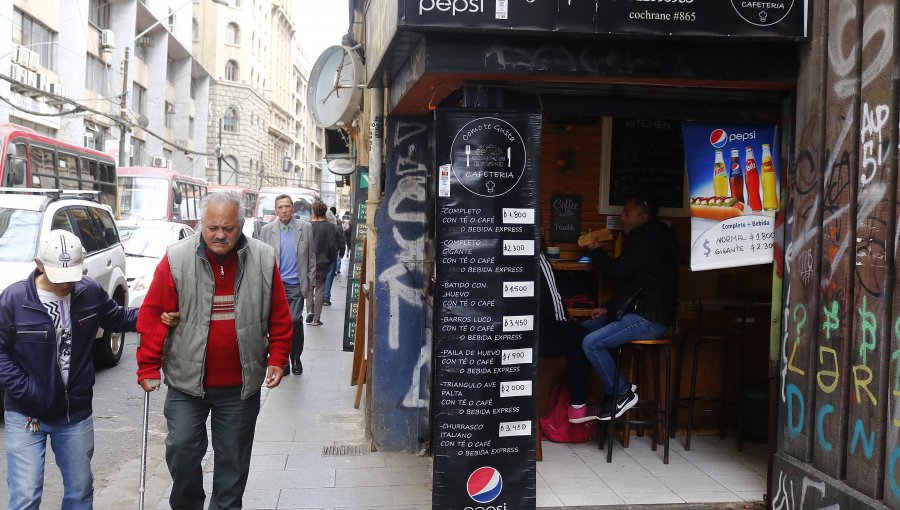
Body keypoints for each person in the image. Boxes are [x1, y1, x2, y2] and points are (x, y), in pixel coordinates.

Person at [136, 191, 293, 510]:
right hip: (186, 383)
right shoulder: (176, 258)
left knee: (232, 464)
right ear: (201, 225)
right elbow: (152, 314)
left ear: (241, 225)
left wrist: (278, 356)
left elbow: (279, 313)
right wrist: (147, 367)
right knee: (182, 450)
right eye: (212, 228)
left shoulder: (262, 258)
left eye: (228, 228)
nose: (220, 234)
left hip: (240, 386)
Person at [0, 230, 139, 509]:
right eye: (58, 277)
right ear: (39, 264)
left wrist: (159, 314)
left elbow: (120, 318)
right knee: (25, 497)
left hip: (74, 413)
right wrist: (28, 391)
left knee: (80, 493)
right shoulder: (13, 299)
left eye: (72, 276)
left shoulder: (89, 292)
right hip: (26, 413)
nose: (66, 285)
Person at [579, 197, 679, 421]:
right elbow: (636, 284)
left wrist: (595, 250)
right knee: (582, 330)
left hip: (647, 318)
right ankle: (586, 400)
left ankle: (621, 392)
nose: (621, 218)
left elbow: (618, 271)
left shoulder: (644, 238)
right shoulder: (658, 237)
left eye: (626, 213)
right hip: (639, 312)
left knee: (591, 343)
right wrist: (609, 308)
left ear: (642, 217)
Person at [259, 194, 316, 375]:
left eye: (287, 206)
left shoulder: (305, 228)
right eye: (280, 207)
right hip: (275, 285)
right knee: (276, 324)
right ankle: (282, 360)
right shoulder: (267, 230)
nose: (284, 210)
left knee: (294, 320)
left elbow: (312, 257)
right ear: (276, 210)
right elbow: (260, 258)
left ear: (293, 208)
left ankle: (295, 356)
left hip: (296, 284)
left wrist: (311, 282)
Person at [536, 252, 595, 423]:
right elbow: (552, 300)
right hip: (537, 334)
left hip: (505, 337)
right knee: (582, 337)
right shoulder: (536, 256)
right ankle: (578, 407)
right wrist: (565, 319)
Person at [306, 200, 338, 325]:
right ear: (325, 212)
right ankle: (316, 319)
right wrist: (331, 259)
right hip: (324, 262)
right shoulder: (330, 226)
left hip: (309, 262)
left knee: (309, 288)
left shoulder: (308, 225)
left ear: (313, 212)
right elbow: (331, 245)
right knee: (319, 289)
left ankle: (309, 311)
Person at [322, 208, 345, 305]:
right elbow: (342, 242)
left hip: (319, 255)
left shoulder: (318, 226)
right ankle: (326, 298)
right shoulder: (337, 228)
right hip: (332, 255)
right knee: (329, 275)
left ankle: (319, 296)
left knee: (320, 276)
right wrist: (342, 253)